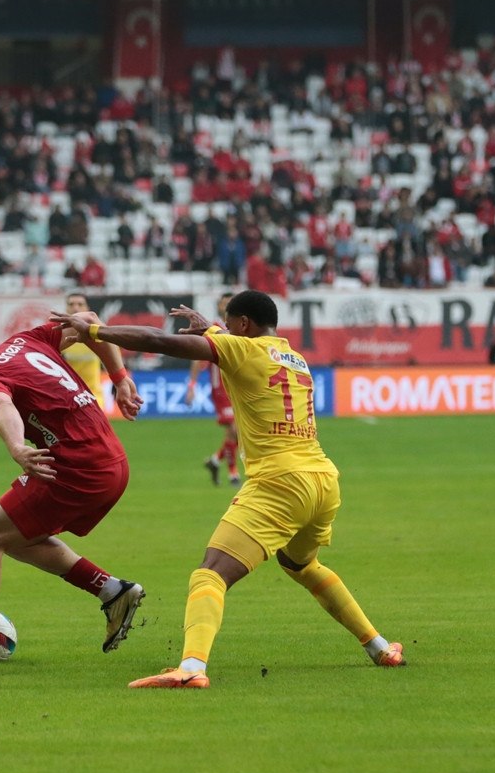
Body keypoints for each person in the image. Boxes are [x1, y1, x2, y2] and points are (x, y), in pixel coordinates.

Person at [52, 290, 405, 690]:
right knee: (301, 565)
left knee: (210, 575)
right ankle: (378, 646)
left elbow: (158, 341)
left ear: (242, 325)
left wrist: (96, 330)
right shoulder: (295, 358)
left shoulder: (240, 349)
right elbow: (240, 343)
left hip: (279, 483)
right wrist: (216, 328)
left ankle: (190, 667)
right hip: (323, 480)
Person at [0, 316, 146, 672]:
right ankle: (112, 591)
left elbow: (0, 404)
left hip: (75, 468)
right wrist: (120, 378)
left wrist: (17, 446)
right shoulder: (27, 340)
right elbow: (90, 323)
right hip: (113, 461)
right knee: (14, 537)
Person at [185, 292, 240, 486]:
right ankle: (233, 473)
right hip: (221, 389)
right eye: (223, 304)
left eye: (230, 304)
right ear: (218, 307)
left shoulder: (239, 331)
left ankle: (215, 461)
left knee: (237, 432)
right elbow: (197, 359)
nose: (226, 307)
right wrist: (191, 386)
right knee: (235, 430)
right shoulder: (213, 329)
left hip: (238, 389)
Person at [60, 292, 105, 404]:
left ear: (87, 308)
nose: (76, 308)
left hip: (94, 397)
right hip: (68, 399)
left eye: (80, 304)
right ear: (66, 308)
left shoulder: (98, 333)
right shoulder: (58, 336)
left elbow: (112, 357)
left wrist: (119, 380)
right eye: (71, 304)